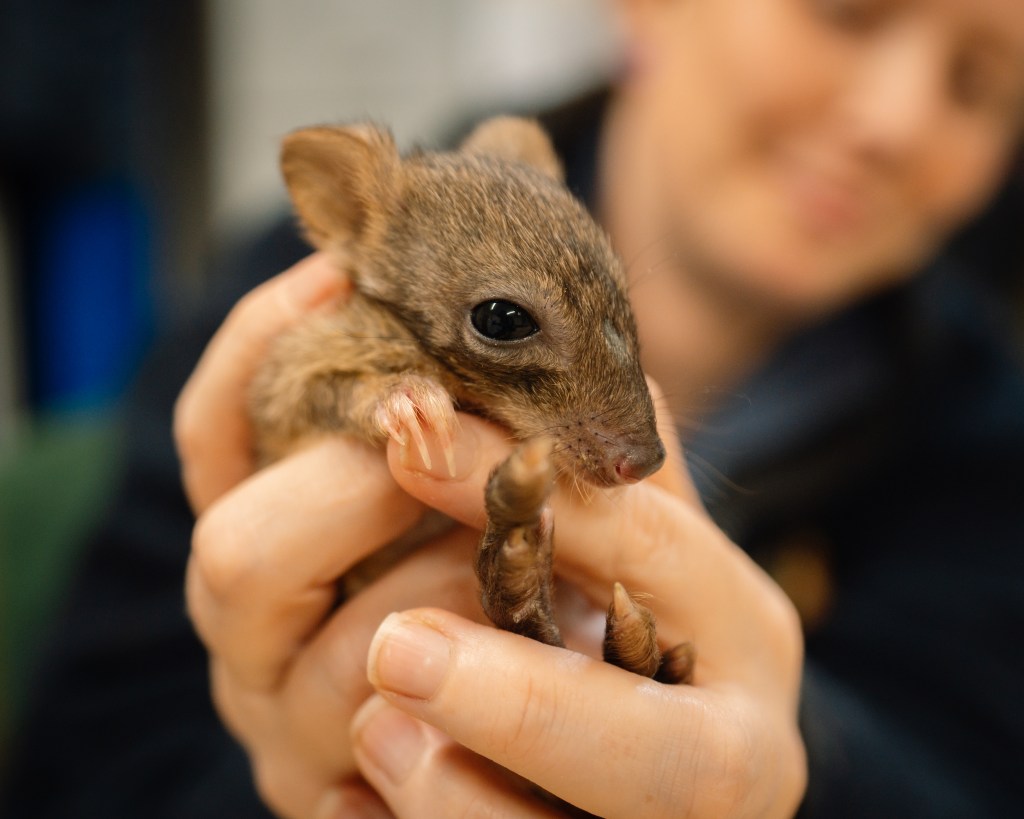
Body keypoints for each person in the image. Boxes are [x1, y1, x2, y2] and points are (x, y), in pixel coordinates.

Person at [5, 0, 1024, 816]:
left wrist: (796, 766)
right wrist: (295, 777)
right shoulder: (292, 281)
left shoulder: (983, 444)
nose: (893, 118)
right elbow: (87, 763)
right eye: (844, 13)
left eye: (980, 85)